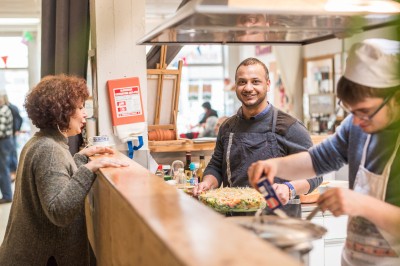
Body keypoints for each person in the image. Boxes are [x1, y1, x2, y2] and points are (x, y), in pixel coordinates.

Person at [248, 39, 400, 265]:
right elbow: (318, 159)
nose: (356, 121)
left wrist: (362, 204)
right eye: (350, 110)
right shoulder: (356, 125)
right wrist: (275, 166)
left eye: (365, 111)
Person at [0, 74, 129, 265]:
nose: (85, 113)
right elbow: (58, 210)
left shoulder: (43, 142)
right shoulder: (50, 150)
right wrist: (89, 168)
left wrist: (80, 158)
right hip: (42, 258)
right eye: (80, 107)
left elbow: (56, 181)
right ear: (62, 111)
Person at [193, 57, 322, 217]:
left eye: (255, 81)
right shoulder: (227, 127)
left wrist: (289, 189)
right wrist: (207, 183)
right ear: (236, 86)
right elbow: (216, 167)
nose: (248, 88)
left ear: (267, 84)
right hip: (236, 222)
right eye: (242, 82)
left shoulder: (290, 127)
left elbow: (315, 173)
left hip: (278, 224)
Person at [4, 95, 23, 181]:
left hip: (11, 135)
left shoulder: (11, 108)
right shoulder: (5, 108)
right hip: (9, 135)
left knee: (12, 153)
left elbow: (20, 119)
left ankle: (14, 173)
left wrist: (17, 130)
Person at [0, 93, 14, 204]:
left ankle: (7, 195)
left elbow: (1, 131)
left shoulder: (3, 111)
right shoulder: (5, 109)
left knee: (3, 169)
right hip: (6, 141)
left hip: (3, 142)